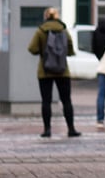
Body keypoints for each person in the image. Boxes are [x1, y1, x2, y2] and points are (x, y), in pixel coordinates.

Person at [27, 7, 80, 138]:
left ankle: (47, 130)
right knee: (66, 100)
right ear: (57, 16)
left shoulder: (41, 31)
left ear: (46, 16)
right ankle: (71, 129)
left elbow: (32, 48)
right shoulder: (63, 30)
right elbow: (70, 50)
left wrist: (44, 51)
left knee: (46, 101)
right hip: (63, 71)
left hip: (45, 71)